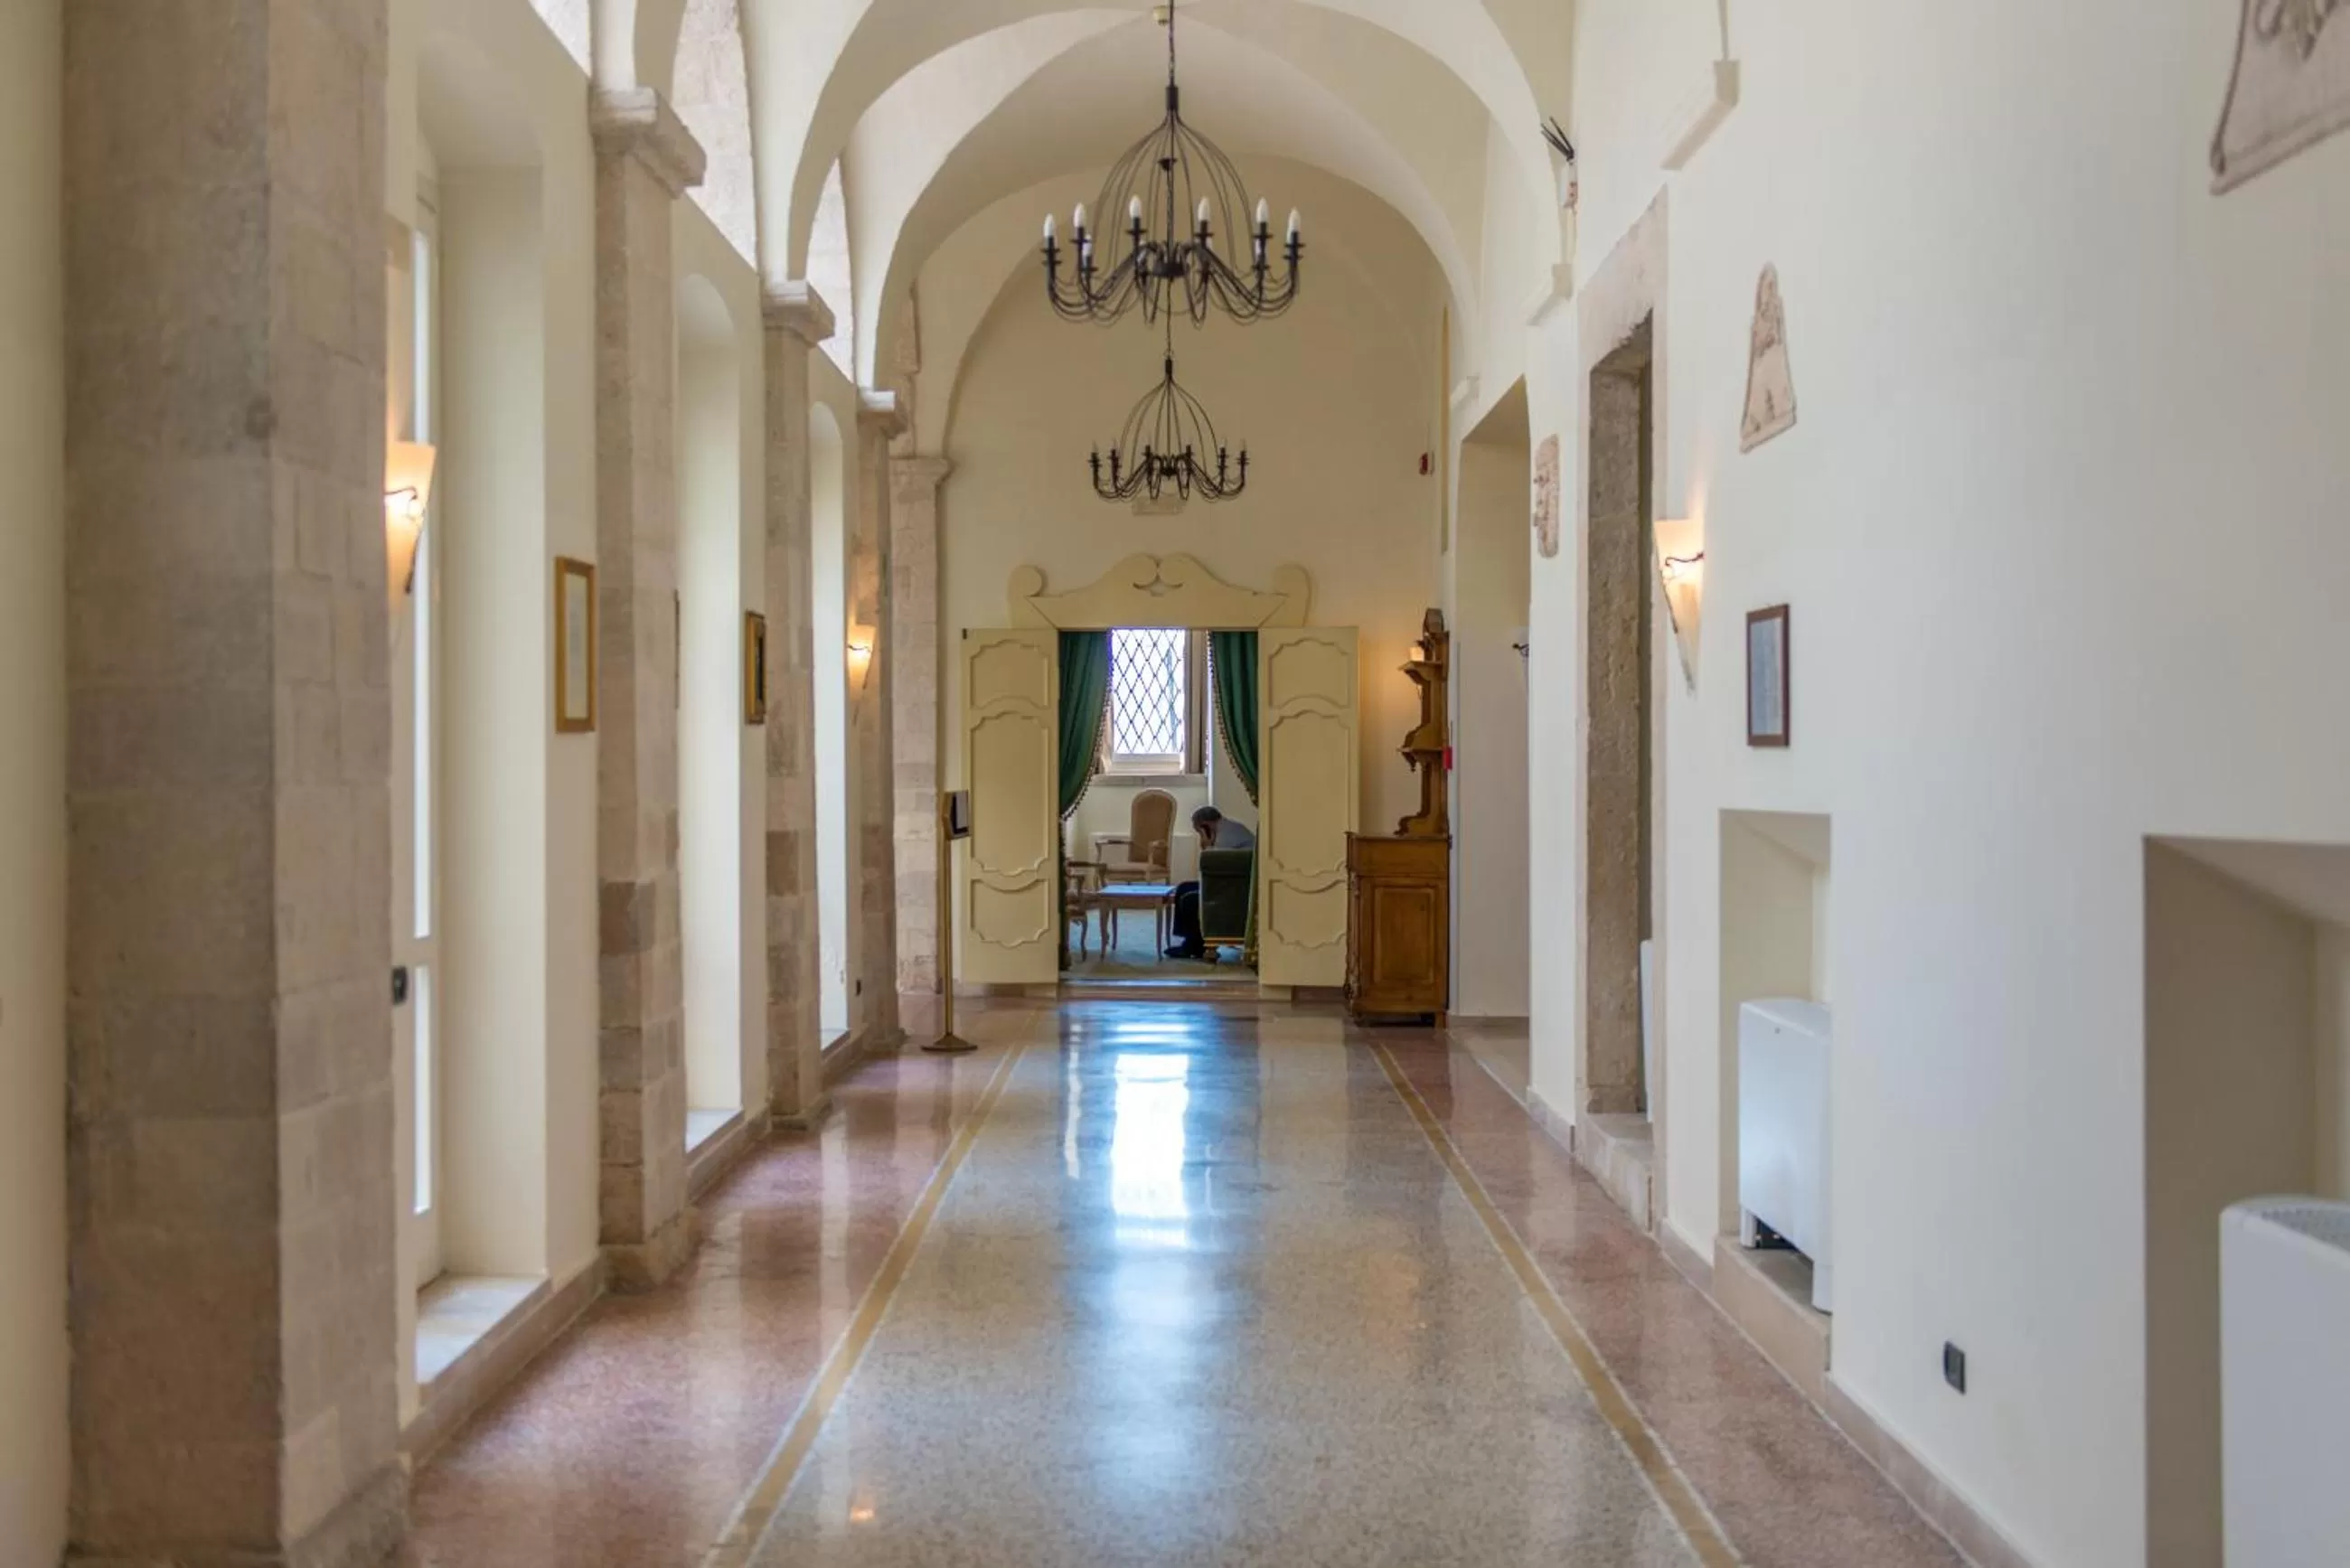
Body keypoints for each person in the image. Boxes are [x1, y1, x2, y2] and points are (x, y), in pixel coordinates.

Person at [1165, 806, 1255, 959]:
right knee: (1183, 888)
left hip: (1235, 890)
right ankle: (1188, 940)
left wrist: (1206, 840)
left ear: (1205, 825)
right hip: (1228, 884)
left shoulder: (1226, 835)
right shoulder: (1227, 828)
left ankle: (1194, 946)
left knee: (1190, 900)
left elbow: (1211, 861)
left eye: (1199, 830)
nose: (1199, 834)